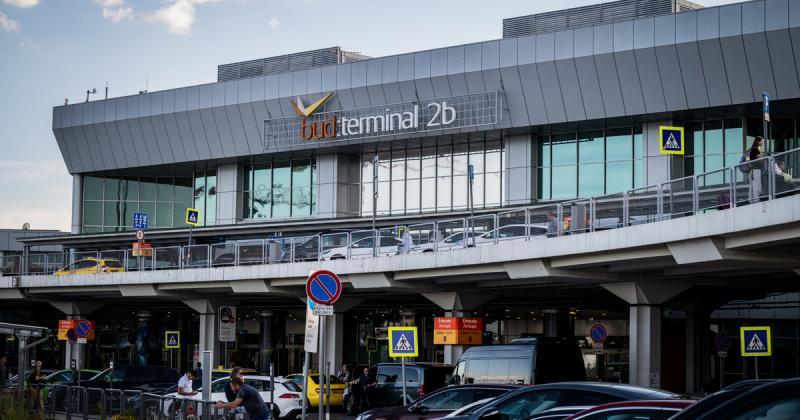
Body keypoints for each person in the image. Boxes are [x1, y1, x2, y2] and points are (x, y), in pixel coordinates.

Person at [747, 136, 765, 203]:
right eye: (762, 141)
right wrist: (763, 158)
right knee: (756, 186)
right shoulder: (756, 149)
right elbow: (760, 160)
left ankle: (751, 201)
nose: (762, 143)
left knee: (751, 186)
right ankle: (756, 201)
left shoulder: (750, 149)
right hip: (756, 170)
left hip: (750, 171)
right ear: (758, 141)